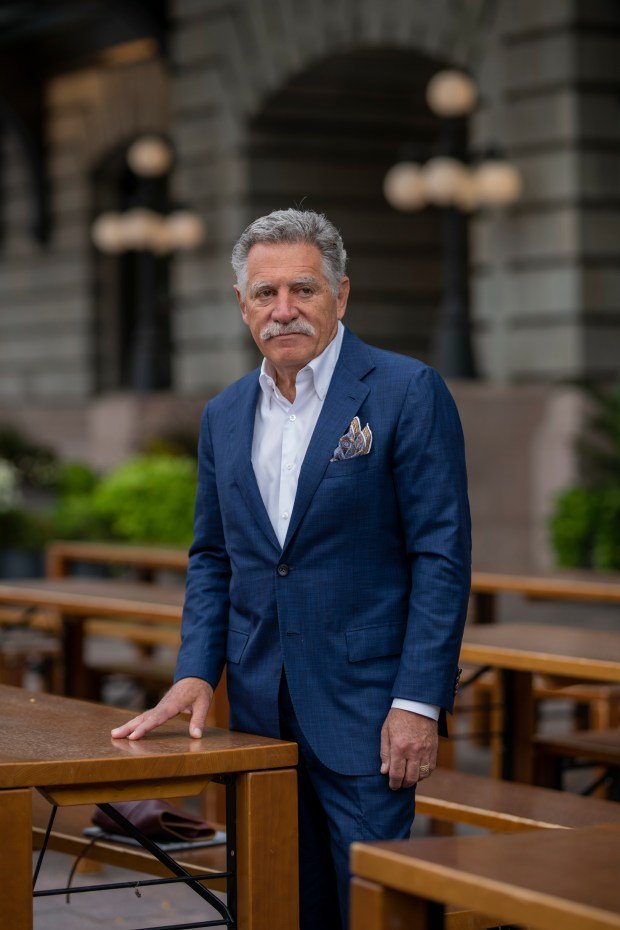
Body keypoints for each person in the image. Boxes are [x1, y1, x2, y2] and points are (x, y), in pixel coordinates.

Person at [111, 209, 471, 929]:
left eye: (303, 290)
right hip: (260, 709)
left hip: (369, 711)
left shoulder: (406, 391)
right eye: (265, 294)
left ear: (341, 293)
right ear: (241, 304)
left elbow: (441, 553)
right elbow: (215, 558)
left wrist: (417, 703)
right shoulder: (223, 414)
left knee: (371, 906)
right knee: (281, 901)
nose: (284, 311)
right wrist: (193, 670)